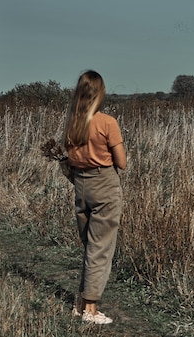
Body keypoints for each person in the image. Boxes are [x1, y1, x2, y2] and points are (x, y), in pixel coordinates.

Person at [63, 70, 127, 325]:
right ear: (99, 94)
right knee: (100, 249)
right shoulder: (107, 122)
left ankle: (81, 305)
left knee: (91, 247)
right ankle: (90, 310)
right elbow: (121, 163)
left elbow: (69, 160)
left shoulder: (72, 123)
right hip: (104, 184)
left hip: (81, 185)